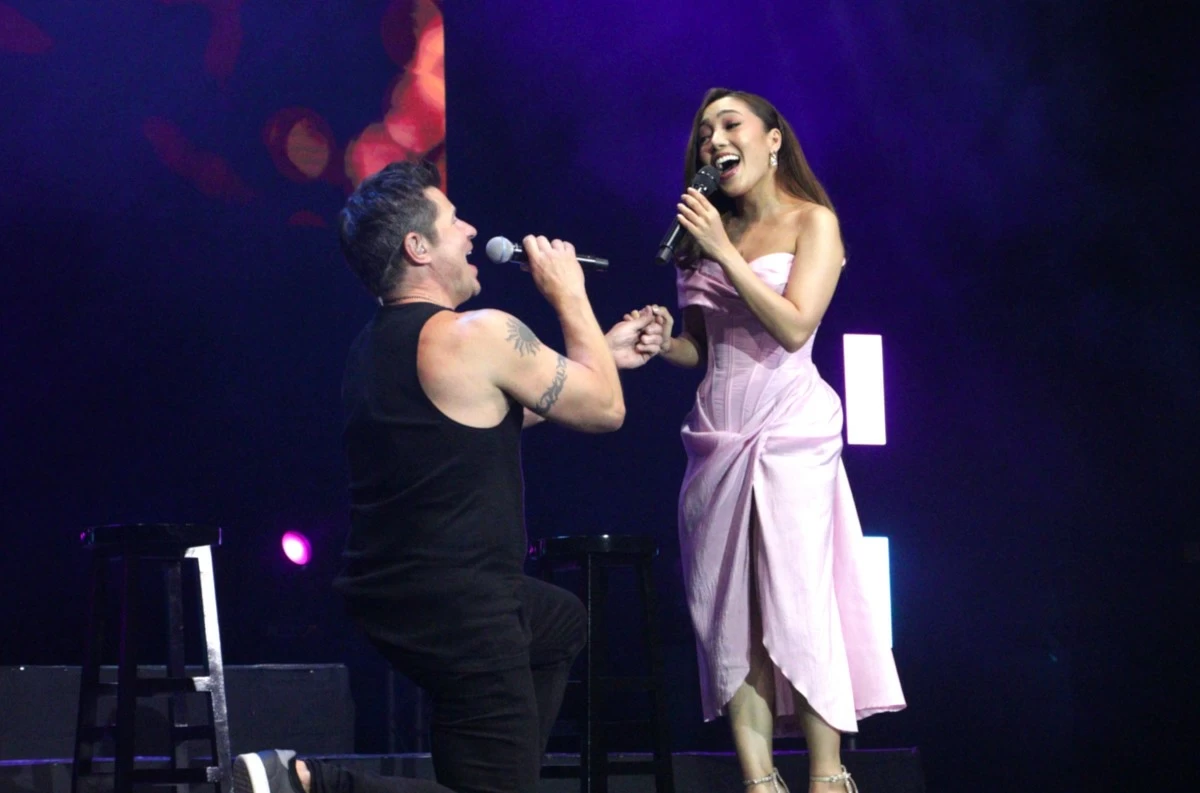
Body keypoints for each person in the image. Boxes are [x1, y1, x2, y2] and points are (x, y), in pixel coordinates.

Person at [234, 159, 664, 793]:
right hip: (463, 603)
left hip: (396, 596)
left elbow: (489, 415)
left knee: (560, 620)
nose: (470, 232)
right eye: (452, 220)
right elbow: (605, 410)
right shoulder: (477, 333)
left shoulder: (372, 347)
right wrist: (568, 292)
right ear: (417, 247)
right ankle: (305, 781)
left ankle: (494, 762)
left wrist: (604, 350)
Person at [634, 88, 906, 793]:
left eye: (730, 125)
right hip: (716, 436)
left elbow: (793, 325)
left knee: (797, 597)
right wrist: (666, 341)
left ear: (773, 139)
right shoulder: (698, 236)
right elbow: (705, 347)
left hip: (790, 428)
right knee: (727, 611)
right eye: (703, 134)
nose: (714, 142)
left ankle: (826, 775)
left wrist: (724, 252)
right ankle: (757, 782)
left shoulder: (813, 222)